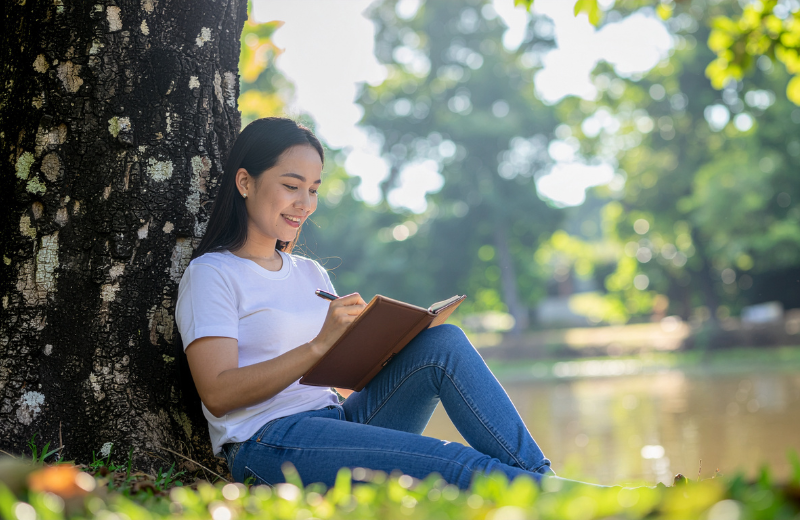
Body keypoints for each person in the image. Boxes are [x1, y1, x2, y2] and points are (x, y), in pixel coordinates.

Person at [175, 117, 561, 490]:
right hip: (266, 442)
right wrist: (319, 345)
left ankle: (548, 483)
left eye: (313, 190)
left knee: (442, 343)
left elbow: (329, 381)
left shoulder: (310, 273)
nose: (305, 204)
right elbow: (219, 394)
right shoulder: (212, 273)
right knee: (459, 466)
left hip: (338, 421)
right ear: (245, 182)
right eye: (292, 186)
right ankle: (595, 503)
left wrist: (379, 348)